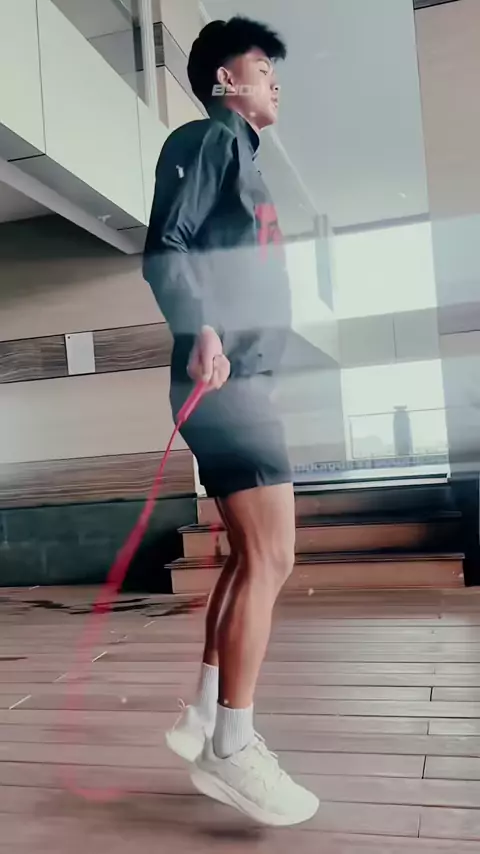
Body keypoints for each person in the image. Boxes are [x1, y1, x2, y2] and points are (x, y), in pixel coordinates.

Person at [143, 16, 319, 827]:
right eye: (261, 66)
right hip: (225, 381)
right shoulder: (208, 137)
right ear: (225, 79)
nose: (274, 80)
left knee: (253, 555)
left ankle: (206, 715)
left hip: (244, 380)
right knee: (274, 556)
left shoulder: (244, 156)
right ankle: (232, 749)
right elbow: (166, 246)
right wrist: (203, 328)